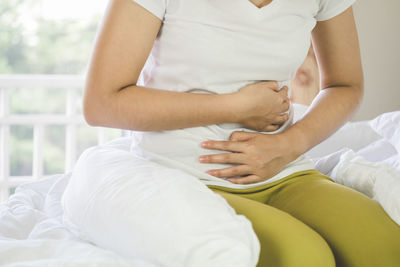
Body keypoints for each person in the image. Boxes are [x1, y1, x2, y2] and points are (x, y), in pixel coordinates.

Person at [72, 0, 400, 266]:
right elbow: (102, 102)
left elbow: (346, 85)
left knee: (384, 246)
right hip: (189, 175)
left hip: (284, 171)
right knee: (305, 258)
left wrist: (290, 144)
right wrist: (234, 108)